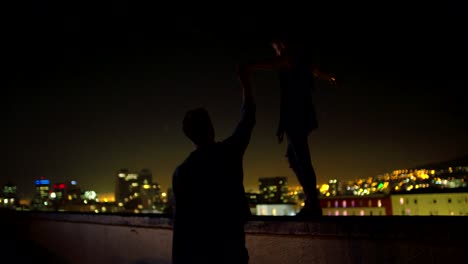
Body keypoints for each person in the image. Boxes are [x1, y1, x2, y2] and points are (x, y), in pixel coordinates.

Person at [171, 64, 256, 264]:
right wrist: (245, 83)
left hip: (199, 255)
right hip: (232, 251)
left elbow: (181, 227)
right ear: (211, 127)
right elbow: (248, 118)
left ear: (189, 135)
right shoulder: (229, 152)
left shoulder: (182, 172)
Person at [248, 34, 338, 217]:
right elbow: (314, 72)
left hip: (297, 115)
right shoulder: (299, 61)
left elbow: (272, 64)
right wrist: (329, 77)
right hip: (297, 114)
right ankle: (311, 199)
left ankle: (313, 202)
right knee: (295, 156)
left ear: (282, 44)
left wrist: (247, 67)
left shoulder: (290, 58)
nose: (276, 52)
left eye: (276, 48)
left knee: (301, 157)